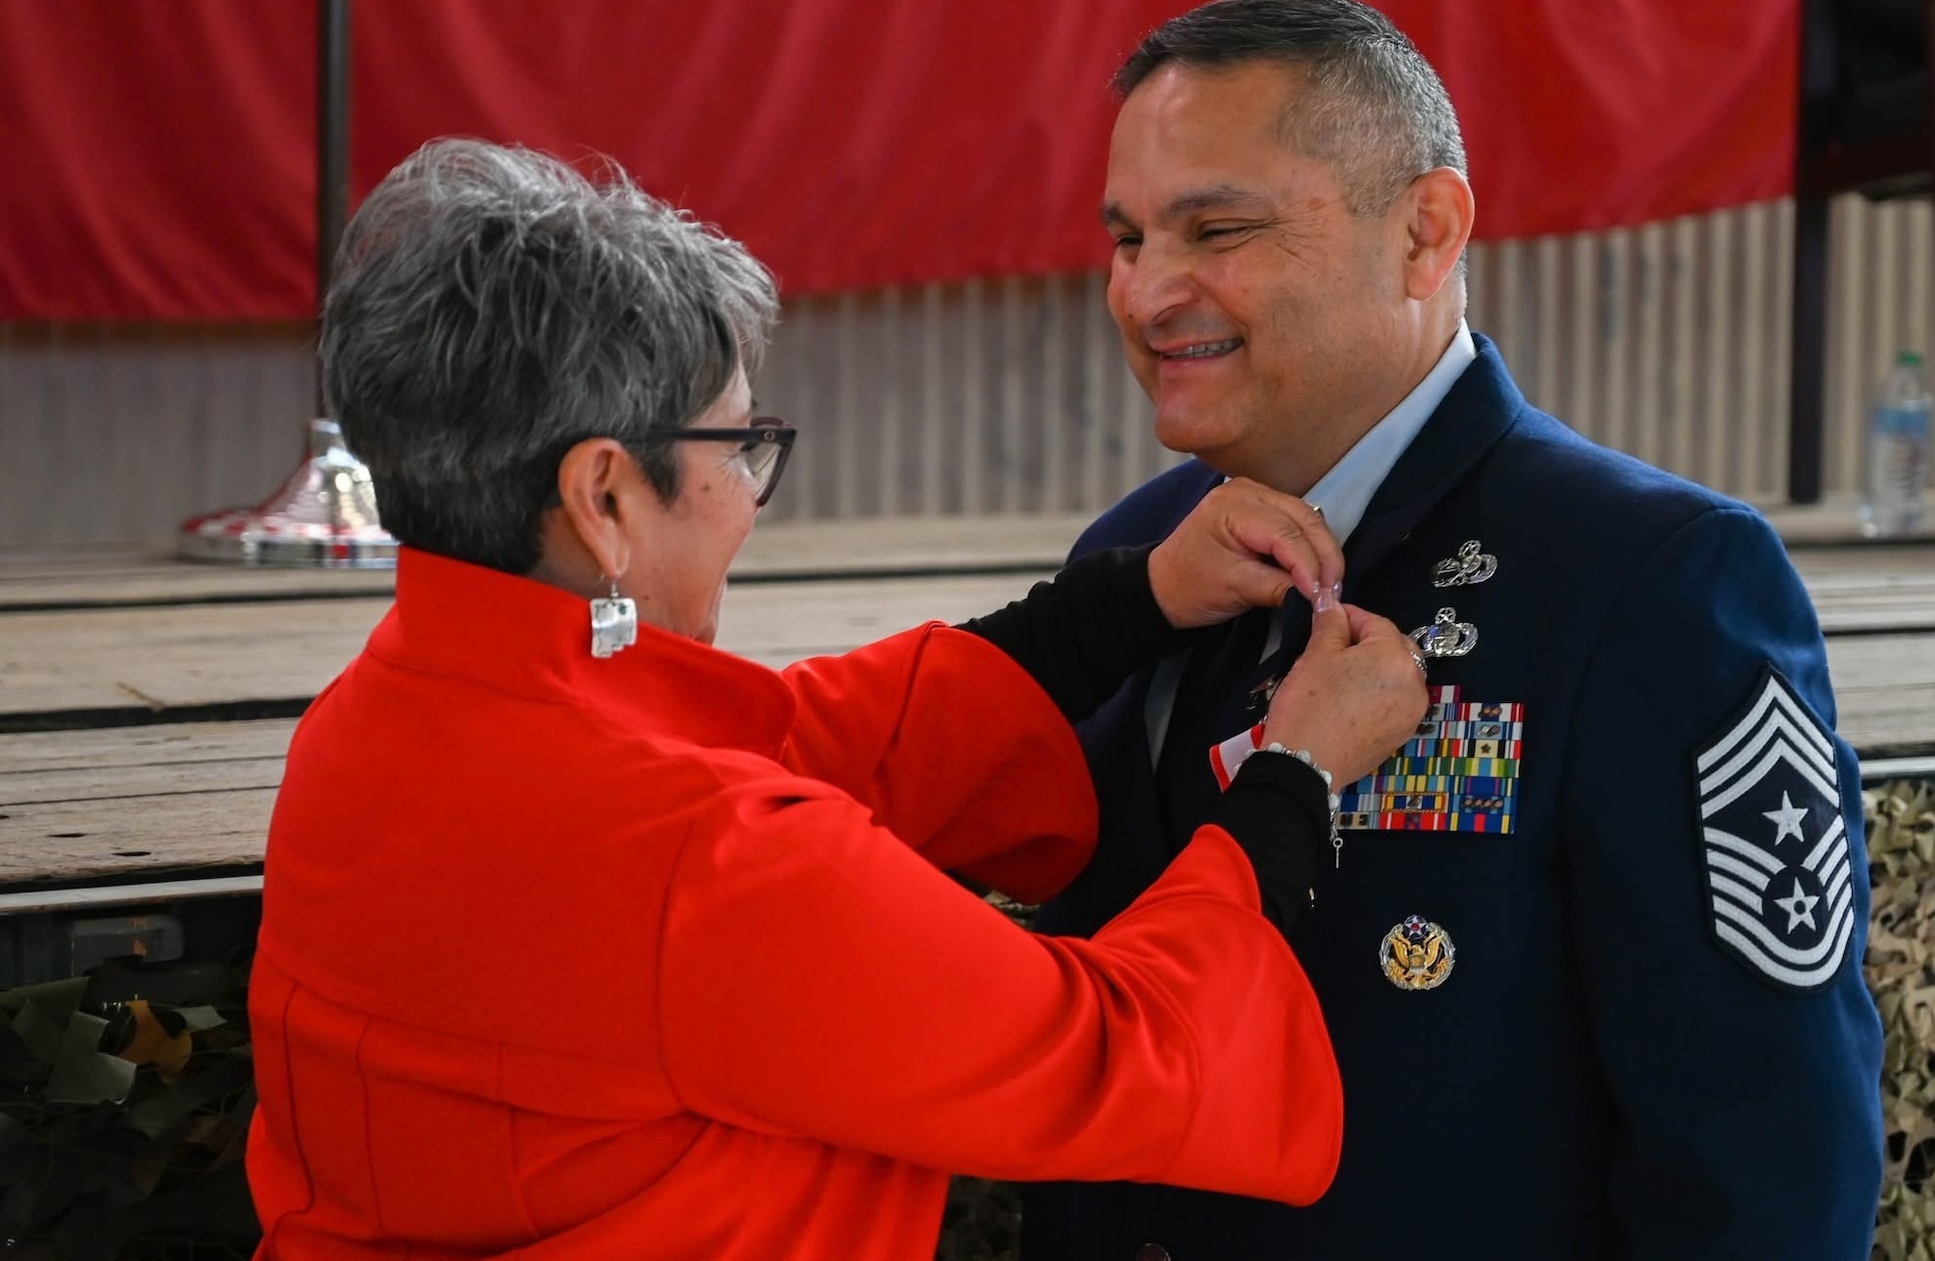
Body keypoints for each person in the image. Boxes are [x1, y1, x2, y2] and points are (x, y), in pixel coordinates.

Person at [243, 137, 1432, 1260]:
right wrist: (1294, 775)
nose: (750, 497)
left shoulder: (371, 713)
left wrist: (1132, 600)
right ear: (603, 495)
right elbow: (1129, 1050)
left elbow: (795, 744)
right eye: (737, 446)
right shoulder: (702, 856)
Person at [1023, 0, 1886, 1261]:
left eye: (1216, 228)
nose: (1149, 293)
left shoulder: (1647, 579)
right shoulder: (1132, 561)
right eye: (1127, 237)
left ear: (1424, 231)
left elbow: (1764, 1155)